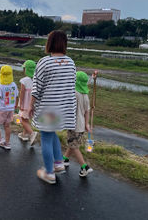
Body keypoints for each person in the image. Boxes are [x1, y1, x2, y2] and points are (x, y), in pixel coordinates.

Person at [29, 30, 76, 184]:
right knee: (52, 134)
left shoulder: (44, 62)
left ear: (49, 43)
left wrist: (31, 106)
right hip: (63, 107)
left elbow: (36, 88)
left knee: (46, 138)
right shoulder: (71, 63)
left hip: (48, 107)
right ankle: (58, 164)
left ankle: (49, 173)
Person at [63, 71, 94, 177]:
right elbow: (87, 112)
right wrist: (87, 124)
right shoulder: (86, 96)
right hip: (81, 126)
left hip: (73, 125)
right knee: (73, 143)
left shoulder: (74, 93)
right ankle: (65, 159)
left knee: (74, 146)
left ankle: (84, 167)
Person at [17, 60, 38, 146]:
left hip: (25, 104)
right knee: (26, 119)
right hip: (32, 105)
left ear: (27, 69)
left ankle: (32, 134)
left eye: (24, 68)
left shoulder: (24, 80)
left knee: (22, 120)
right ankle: (24, 135)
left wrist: (20, 104)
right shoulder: (36, 80)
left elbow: (22, 93)